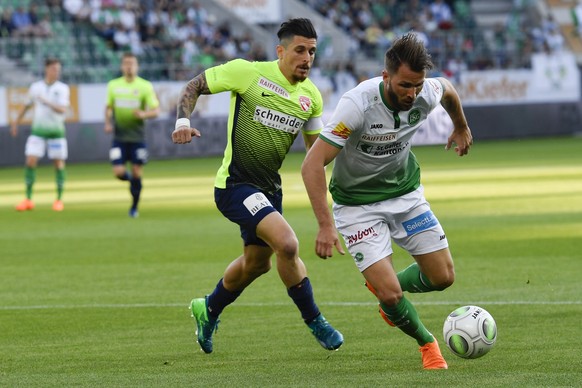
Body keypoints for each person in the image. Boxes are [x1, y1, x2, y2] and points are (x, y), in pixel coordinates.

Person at [301, 33, 473, 369]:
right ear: (386, 77)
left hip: (406, 196)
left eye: (417, 85)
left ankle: (384, 292)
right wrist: (324, 225)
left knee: (443, 278)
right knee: (393, 295)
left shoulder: (426, 92)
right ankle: (427, 343)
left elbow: (448, 89)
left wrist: (461, 127)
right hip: (357, 207)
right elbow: (311, 165)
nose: (412, 93)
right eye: (405, 85)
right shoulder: (357, 105)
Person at [172, 18, 343, 354]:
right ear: (280, 50)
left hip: (269, 192)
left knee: (257, 264)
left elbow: (316, 158)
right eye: (299, 50)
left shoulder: (311, 97)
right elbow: (193, 86)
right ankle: (315, 320)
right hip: (235, 186)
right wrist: (182, 122)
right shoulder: (247, 73)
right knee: (288, 244)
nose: (307, 57)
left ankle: (208, 308)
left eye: (312, 51)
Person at [104, 52, 160, 218]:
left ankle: (134, 207)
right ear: (122, 66)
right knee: (119, 172)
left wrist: (144, 114)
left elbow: (156, 110)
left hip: (137, 138)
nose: (129, 66)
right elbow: (108, 107)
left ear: (137, 66)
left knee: (137, 171)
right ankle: (134, 183)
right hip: (119, 137)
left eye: (132, 63)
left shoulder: (145, 86)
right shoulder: (113, 85)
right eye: (126, 63)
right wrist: (107, 122)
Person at [11, 57, 70, 212]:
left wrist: (47, 102)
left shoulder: (63, 88)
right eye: (54, 69)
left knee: (58, 164)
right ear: (46, 69)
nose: (56, 72)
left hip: (56, 132)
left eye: (58, 69)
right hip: (38, 131)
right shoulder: (36, 87)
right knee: (30, 160)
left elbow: (63, 110)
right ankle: (28, 199)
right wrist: (16, 122)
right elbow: (26, 106)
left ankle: (59, 199)